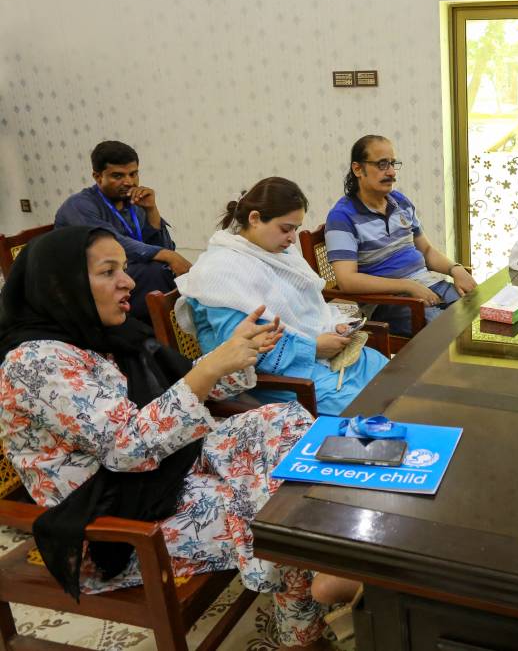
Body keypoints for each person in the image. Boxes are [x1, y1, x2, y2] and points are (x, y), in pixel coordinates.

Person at [0, 226, 331, 650]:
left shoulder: (104, 335)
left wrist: (235, 352)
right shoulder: (37, 362)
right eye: (109, 271)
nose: (129, 281)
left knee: (285, 421)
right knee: (276, 514)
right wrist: (208, 370)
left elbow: (177, 386)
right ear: (62, 287)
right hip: (115, 521)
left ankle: (301, 562)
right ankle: (302, 626)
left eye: (123, 267)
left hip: (164, 473)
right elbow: (125, 448)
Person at [176, 177, 388, 417]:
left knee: (390, 378)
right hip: (278, 378)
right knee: (371, 411)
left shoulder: (277, 252)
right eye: (286, 228)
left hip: (318, 358)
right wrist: (313, 348)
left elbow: (307, 307)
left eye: (296, 229)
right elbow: (239, 350)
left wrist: (330, 325)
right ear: (255, 219)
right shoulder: (219, 274)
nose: (292, 238)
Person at [324, 135, 477, 336]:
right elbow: (347, 281)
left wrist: (455, 269)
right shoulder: (342, 217)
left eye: (392, 164)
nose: (391, 172)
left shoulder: (400, 202)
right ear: (358, 169)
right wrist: (408, 286)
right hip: (387, 302)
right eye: (381, 164)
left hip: (427, 284)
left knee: (479, 314)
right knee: (449, 332)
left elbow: (427, 250)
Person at [54, 141, 191, 323]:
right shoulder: (79, 206)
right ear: (97, 176)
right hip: (86, 282)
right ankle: (160, 336)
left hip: (124, 275)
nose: (129, 182)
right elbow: (111, 243)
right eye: (118, 176)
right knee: (156, 273)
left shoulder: (134, 202)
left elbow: (163, 249)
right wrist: (169, 256)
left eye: (133, 174)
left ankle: (167, 334)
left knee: (165, 270)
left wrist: (152, 210)